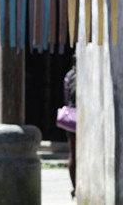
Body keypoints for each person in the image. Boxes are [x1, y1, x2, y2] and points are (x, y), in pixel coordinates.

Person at [63, 63, 76, 199]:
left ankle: (75, 187)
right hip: (78, 116)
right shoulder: (76, 75)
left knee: (73, 153)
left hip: (71, 115)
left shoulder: (69, 75)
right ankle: (76, 187)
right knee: (75, 154)